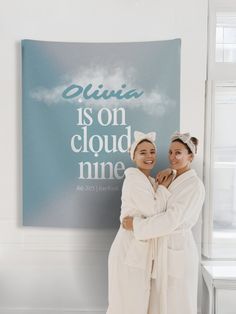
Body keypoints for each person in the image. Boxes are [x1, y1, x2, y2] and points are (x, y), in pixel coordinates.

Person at [122, 131, 205, 314]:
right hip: (161, 250)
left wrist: (136, 225)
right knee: (158, 304)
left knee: (177, 304)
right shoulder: (170, 177)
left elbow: (170, 220)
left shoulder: (194, 186)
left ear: (190, 156)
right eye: (170, 152)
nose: (172, 157)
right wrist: (171, 173)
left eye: (178, 153)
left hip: (177, 248)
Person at [106, 131, 174, 314]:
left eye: (152, 151)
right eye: (142, 152)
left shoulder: (150, 181)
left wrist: (168, 175)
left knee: (137, 304)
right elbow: (154, 211)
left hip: (140, 252)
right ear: (133, 156)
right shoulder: (134, 179)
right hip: (128, 251)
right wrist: (163, 189)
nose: (149, 156)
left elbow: (157, 210)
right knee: (125, 305)